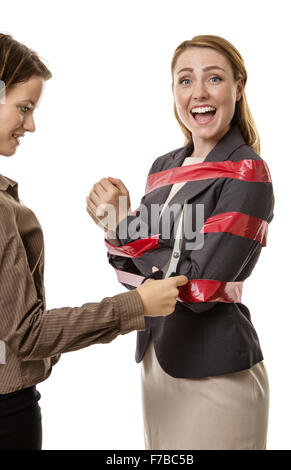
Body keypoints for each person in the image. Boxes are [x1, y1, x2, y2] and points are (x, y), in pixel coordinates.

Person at [0, 32, 188, 451]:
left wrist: (123, 230)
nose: (30, 124)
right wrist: (136, 305)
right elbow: (26, 336)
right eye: (24, 108)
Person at [87, 35, 275, 450]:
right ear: (174, 91)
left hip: (216, 373)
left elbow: (201, 289)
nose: (199, 93)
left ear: (238, 87)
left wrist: (125, 229)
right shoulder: (163, 169)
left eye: (214, 78)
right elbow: (133, 274)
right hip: (158, 362)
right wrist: (114, 226)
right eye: (185, 81)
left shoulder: (246, 173)